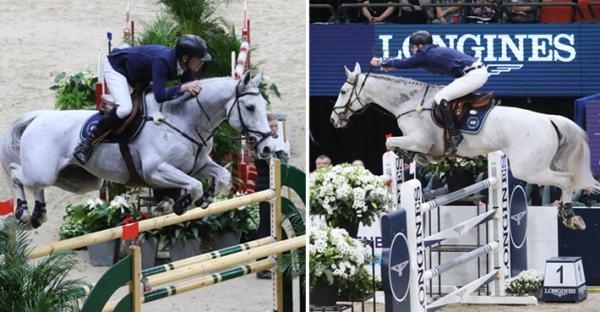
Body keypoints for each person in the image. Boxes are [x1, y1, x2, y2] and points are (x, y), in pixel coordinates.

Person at [73, 34, 212, 165]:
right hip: (117, 68)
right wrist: (183, 88)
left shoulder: (185, 67)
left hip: (139, 77)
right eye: (199, 59)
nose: (202, 63)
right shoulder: (163, 60)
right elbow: (160, 96)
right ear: (185, 58)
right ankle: (87, 142)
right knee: (125, 109)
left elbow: (191, 91)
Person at [370, 30, 489, 155]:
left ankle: (455, 135)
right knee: (444, 96)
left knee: (440, 97)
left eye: (413, 47)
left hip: (473, 74)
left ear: (420, 45)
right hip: (474, 72)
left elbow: (407, 63)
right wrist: (390, 66)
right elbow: (415, 63)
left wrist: (381, 62)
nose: (412, 50)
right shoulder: (430, 52)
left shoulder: (425, 53)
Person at [255, 114, 288, 279]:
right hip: (265, 187)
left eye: (276, 126)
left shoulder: (277, 142)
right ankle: (260, 265)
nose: (274, 129)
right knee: (266, 225)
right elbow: (272, 164)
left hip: (275, 186)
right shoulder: (263, 145)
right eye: (271, 127)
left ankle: (274, 259)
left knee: (273, 224)